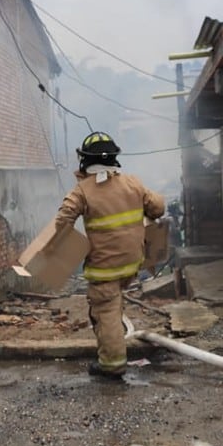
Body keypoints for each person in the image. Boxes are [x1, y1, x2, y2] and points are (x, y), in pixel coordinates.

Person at [54, 131, 165, 380]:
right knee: (113, 305)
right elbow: (158, 207)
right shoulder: (133, 183)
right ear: (113, 158)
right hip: (131, 264)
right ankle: (112, 350)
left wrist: (64, 246)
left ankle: (112, 365)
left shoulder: (82, 191)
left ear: (85, 160)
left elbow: (63, 220)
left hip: (105, 270)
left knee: (105, 313)